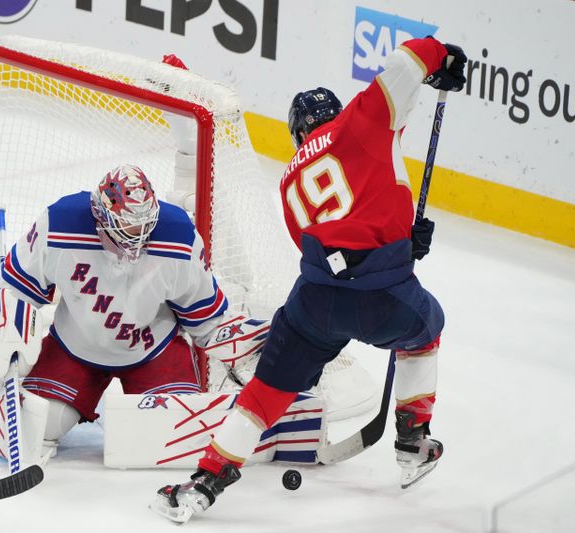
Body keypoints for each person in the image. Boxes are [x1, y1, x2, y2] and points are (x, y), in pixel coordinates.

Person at [150, 36, 467, 523]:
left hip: (315, 303)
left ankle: (206, 480)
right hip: (382, 297)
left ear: (297, 135)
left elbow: (328, 242)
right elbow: (408, 60)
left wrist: (399, 234)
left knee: (265, 391)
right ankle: (412, 440)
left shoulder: (289, 179)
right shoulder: (362, 121)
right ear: (337, 113)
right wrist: (442, 56)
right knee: (426, 330)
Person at [0, 164, 265, 465]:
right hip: (75, 348)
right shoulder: (59, 223)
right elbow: (14, 287)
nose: (138, 239)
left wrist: (251, 359)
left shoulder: (179, 235)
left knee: (171, 437)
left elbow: (205, 316)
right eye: (127, 229)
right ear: (100, 216)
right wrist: (4, 336)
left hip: (154, 350)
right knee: (39, 425)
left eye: (144, 228)